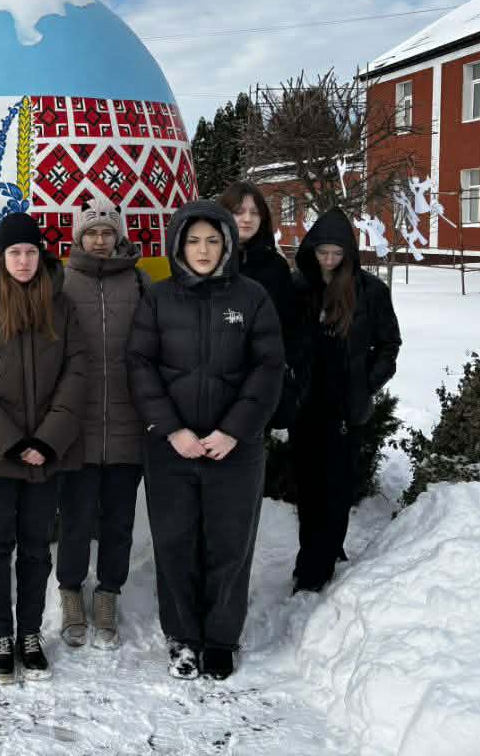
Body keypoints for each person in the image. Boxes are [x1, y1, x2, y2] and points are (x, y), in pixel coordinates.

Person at [127, 200, 284, 681]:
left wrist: (233, 430)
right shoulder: (158, 298)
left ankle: (220, 638)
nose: (202, 249)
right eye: (193, 240)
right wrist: (172, 430)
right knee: (175, 542)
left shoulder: (252, 297)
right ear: (178, 245)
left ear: (227, 245)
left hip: (235, 449)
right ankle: (182, 636)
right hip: (171, 448)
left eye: (213, 240)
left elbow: (268, 368)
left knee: (229, 545)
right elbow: (140, 365)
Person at [0, 213, 87, 684]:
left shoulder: (62, 307)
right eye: (14, 253)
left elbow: (78, 373)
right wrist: (9, 442)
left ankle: (29, 633)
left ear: (40, 256)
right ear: (1, 257)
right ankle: (0, 636)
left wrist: (47, 439)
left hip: (46, 452)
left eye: (30, 252)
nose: (23, 261)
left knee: (35, 549)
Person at [289, 208, 401, 594]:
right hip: (306, 405)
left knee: (336, 488)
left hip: (345, 408)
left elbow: (389, 344)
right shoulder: (299, 288)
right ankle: (313, 553)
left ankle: (317, 566)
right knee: (308, 488)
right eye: (323, 252)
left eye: (337, 253)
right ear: (311, 250)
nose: (330, 260)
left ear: (349, 254)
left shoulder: (370, 291)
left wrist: (366, 384)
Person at [56, 196, 147, 650]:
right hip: (78, 425)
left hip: (129, 422)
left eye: (107, 232)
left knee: (118, 520)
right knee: (75, 518)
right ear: (79, 236)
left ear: (118, 236)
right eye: (90, 232)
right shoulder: (61, 281)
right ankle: (70, 592)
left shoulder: (139, 281)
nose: (98, 240)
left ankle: (109, 592)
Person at [220, 182, 308, 430]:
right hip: (214, 384)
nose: (247, 219)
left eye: (255, 212)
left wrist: (288, 371)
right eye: (239, 211)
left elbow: (290, 325)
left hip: (261, 385)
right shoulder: (208, 261)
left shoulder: (275, 266)